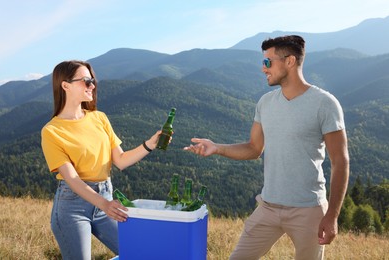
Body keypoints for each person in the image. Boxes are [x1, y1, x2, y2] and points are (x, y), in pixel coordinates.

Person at [184, 35, 349, 260]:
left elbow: (341, 162)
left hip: (308, 210)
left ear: (289, 61)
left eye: (268, 62)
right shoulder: (265, 103)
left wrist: (332, 215)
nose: (263, 68)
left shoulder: (325, 104)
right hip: (268, 207)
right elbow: (254, 148)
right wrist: (217, 148)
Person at [41, 60, 161, 259]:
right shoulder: (52, 131)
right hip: (72, 207)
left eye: (93, 81)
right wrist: (104, 204)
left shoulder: (99, 118)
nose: (93, 85)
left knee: (138, 253)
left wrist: (150, 144)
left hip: (105, 197)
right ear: (65, 85)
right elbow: (72, 180)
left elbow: (121, 160)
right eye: (86, 81)